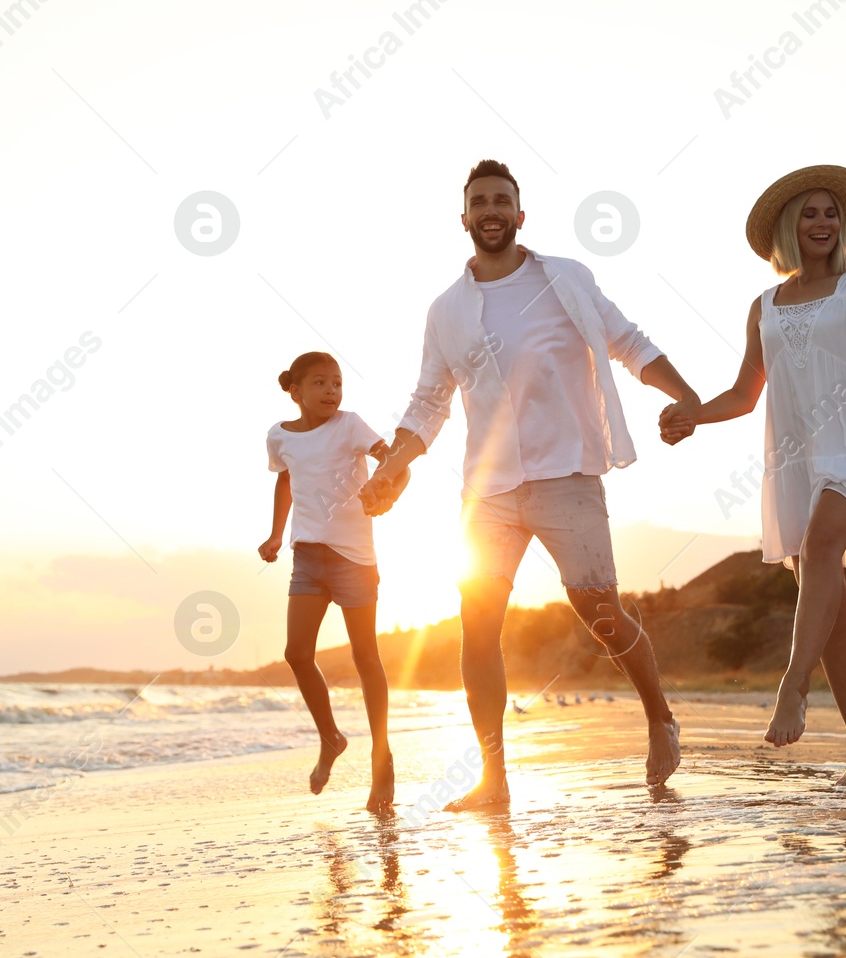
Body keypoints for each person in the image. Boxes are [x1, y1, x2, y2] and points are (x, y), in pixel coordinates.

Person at [360, 159, 702, 808]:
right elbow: (429, 402)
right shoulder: (447, 310)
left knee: (599, 612)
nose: (491, 210)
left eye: (502, 200)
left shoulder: (565, 280)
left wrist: (687, 399)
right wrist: (389, 466)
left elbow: (629, 342)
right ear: (464, 219)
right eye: (479, 202)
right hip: (486, 490)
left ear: (520, 215)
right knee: (478, 624)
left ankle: (659, 714)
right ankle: (494, 778)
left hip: (567, 472)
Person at [660, 165, 846, 788]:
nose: (822, 223)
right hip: (794, 458)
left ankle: (793, 684)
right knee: (828, 606)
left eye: (831, 214)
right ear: (790, 226)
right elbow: (742, 392)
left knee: (818, 548)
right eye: (810, 213)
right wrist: (692, 417)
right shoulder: (763, 304)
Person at [259, 351, 408, 812]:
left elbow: (394, 459)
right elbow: (285, 482)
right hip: (307, 556)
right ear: (295, 391)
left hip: (354, 559)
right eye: (321, 383)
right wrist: (275, 534)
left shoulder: (350, 425)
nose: (332, 392)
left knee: (366, 656)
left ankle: (381, 760)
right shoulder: (278, 436)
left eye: (337, 383)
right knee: (297, 653)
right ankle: (331, 738)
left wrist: (388, 485)